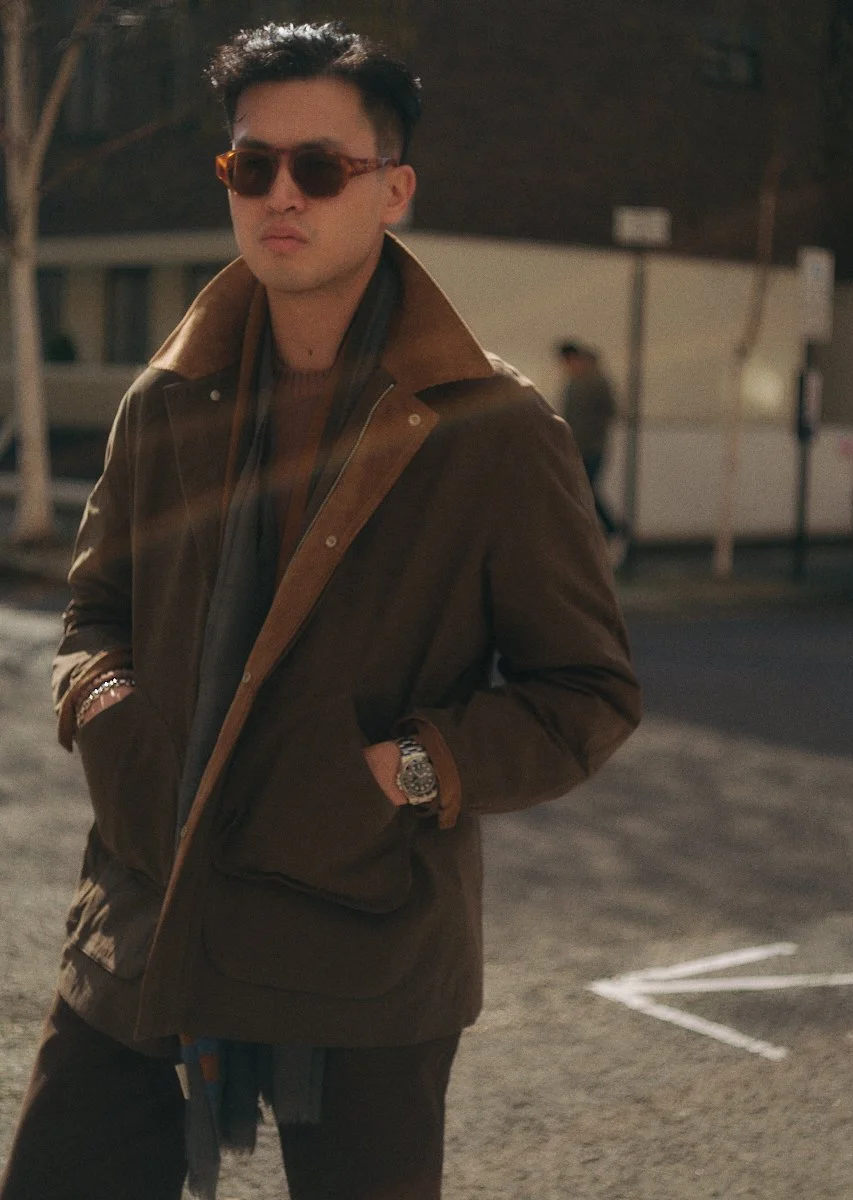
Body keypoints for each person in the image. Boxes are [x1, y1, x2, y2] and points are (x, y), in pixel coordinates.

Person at [1, 21, 641, 1200]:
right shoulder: (166, 399)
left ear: (393, 190)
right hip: (149, 911)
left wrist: (401, 771)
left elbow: (586, 696)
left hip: (366, 948)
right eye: (252, 165)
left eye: (319, 167)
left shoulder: (494, 429)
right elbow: (94, 612)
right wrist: (110, 711)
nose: (280, 194)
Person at [556, 339, 622, 541]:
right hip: (577, 447)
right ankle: (605, 532)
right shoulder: (573, 384)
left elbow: (612, 410)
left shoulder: (596, 381)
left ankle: (612, 530)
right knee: (581, 491)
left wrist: (594, 430)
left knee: (585, 490)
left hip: (592, 447)